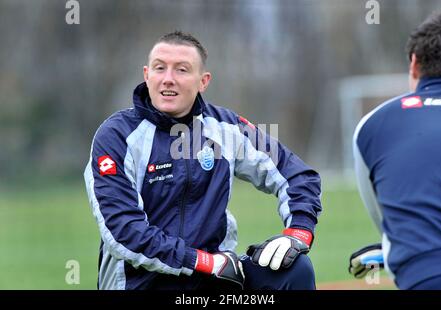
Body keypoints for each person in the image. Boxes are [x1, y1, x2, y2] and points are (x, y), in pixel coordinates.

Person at [84, 31, 322, 290]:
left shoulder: (225, 128)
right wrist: (203, 261)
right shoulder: (116, 136)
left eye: (182, 70)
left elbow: (296, 174)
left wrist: (298, 233)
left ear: (203, 81)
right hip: (143, 283)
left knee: (295, 271)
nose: (168, 79)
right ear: (146, 74)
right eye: (159, 68)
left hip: (214, 281)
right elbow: (124, 232)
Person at [350, 12, 441, 290]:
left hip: (424, 274)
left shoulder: (372, 124)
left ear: (414, 63)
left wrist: (397, 250)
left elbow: (385, 221)